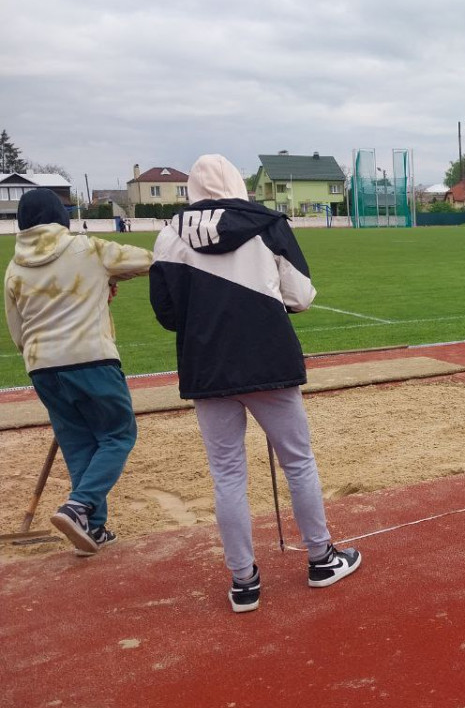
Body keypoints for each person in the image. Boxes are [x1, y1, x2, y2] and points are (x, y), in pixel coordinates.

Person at [149, 154, 361, 613]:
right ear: (236, 183)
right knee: (298, 462)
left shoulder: (169, 235)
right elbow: (300, 296)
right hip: (268, 362)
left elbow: (167, 314)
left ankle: (243, 581)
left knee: (227, 475)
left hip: (207, 367)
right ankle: (321, 559)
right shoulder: (268, 224)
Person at [4, 188, 153, 555]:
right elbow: (148, 261)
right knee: (117, 435)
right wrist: (108, 277)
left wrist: (103, 283)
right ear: (61, 218)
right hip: (91, 358)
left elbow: (18, 333)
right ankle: (79, 506)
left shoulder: (14, 269)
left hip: (42, 367)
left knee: (79, 445)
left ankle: (92, 527)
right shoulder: (88, 248)